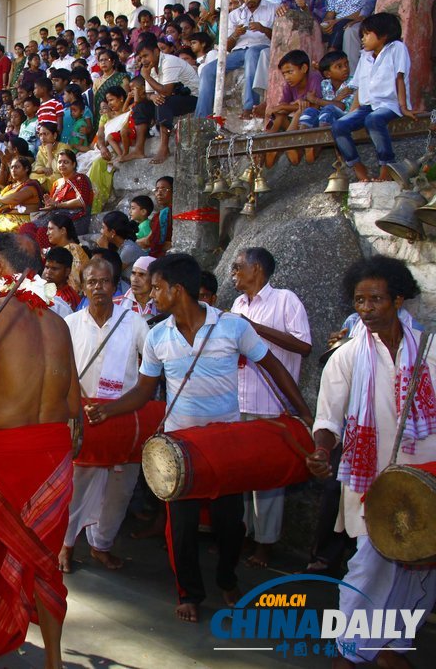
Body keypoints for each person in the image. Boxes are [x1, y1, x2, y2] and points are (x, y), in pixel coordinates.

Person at [87, 253, 313, 624]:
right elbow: (144, 392)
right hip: (179, 448)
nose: (152, 294)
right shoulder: (158, 335)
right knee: (182, 528)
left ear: (177, 290)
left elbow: (273, 368)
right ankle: (189, 593)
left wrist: (304, 415)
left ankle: (227, 579)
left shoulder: (232, 327)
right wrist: (109, 410)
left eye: (157, 287)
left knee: (230, 524)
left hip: (225, 446)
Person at [0, 232, 80, 668]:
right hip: (54, 455)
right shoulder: (58, 322)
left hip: (3, 455)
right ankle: (55, 662)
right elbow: (75, 404)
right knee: (44, 561)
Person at [309, 255, 436, 666]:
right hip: (371, 484)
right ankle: (347, 650)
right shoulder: (346, 357)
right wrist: (322, 450)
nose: (365, 310)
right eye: (359, 301)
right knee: (366, 567)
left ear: (398, 300)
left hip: (425, 482)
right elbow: (328, 417)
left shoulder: (431, 352)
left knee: (420, 568)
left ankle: (390, 646)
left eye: (375, 300)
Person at [59, 257, 150, 573]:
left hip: (123, 416)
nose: (99, 287)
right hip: (82, 418)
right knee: (76, 486)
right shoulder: (70, 324)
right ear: (82, 286)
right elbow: (62, 372)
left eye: (105, 281)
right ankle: (66, 545)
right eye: (92, 282)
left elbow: (152, 368)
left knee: (120, 489)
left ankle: (101, 546)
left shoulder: (135, 323)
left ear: (115, 285)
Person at [230, 248, 312, 569]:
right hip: (240, 400)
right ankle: (246, 535)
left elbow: (304, 346)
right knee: (243, 475)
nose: (234, 272)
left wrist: (253, 328)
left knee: (268, 480)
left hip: (272, 404)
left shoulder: (285, 300)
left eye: (239, 267)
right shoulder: (238, 303)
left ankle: (266, 544)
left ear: (258, 269)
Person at [330, 13, 416, 182]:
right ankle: (357, 166)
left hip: (389, 104)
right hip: (367, 106)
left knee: (373, 120)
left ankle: (387, 166)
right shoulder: (365, 56)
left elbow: (400, 78)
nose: (363, 39)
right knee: (339, 126)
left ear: (383, 35)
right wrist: (351, 114)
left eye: (367, 34)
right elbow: (360, 88)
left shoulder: (397, 48)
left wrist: (404, 107)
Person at [195, 0, 277, 119]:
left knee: (251, 53)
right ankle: (201, 118)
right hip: (238, 52)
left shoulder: (273, 9)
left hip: (261, 48)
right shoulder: (234, 15)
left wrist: (263, 29)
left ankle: (250, 107)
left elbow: (279, 38)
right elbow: (225, 47)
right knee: (207, 70)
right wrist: (235, 35)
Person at [126, 40, 199, 164]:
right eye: (141, 57)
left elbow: (166, 92)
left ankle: (164, 147)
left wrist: (146, 77)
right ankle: (139, 149)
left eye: (146, 55)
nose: (143, 60)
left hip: (192, 98)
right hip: (172, 98)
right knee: (140, 107)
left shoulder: (168, 62)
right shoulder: (150, 67)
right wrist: (152, 97)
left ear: (156, 52)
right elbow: (149, 94)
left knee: (163, 101)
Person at [46, 213, 88, 292]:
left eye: (50, 229)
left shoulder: (73, 249)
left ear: (63, 231)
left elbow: (75, 286)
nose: (47, 233)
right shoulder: (64, 249)